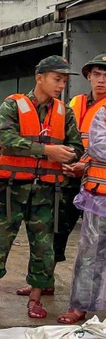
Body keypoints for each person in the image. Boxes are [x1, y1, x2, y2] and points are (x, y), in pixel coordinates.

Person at [0, 56, 84, 319]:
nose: (61, 85)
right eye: (57, 79)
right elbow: (8, 140)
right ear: (40, 78)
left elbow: (77, 147)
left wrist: (69, 156)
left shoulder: (64, 112)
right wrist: (48, 151)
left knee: (44, 247)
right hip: (11, 189)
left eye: (64, 81)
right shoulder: (13, 105)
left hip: (48, 192)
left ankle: (35, 299)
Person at [58, 100, 106, 323]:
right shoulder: (103, 114)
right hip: (100, 198)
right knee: (90, 254)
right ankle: (80, 306)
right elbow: (98, 146)